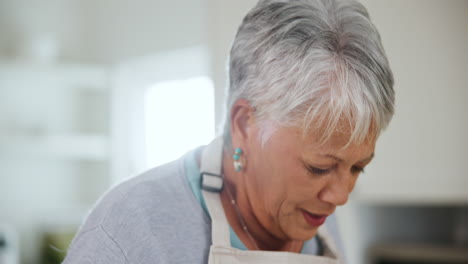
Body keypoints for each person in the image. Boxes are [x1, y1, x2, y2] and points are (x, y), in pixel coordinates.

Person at [63, 0, 394, 263]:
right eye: (318, 167)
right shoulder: (130, 230)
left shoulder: (314, 216)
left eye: (357, 167)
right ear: (243, 125)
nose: (340, 196)